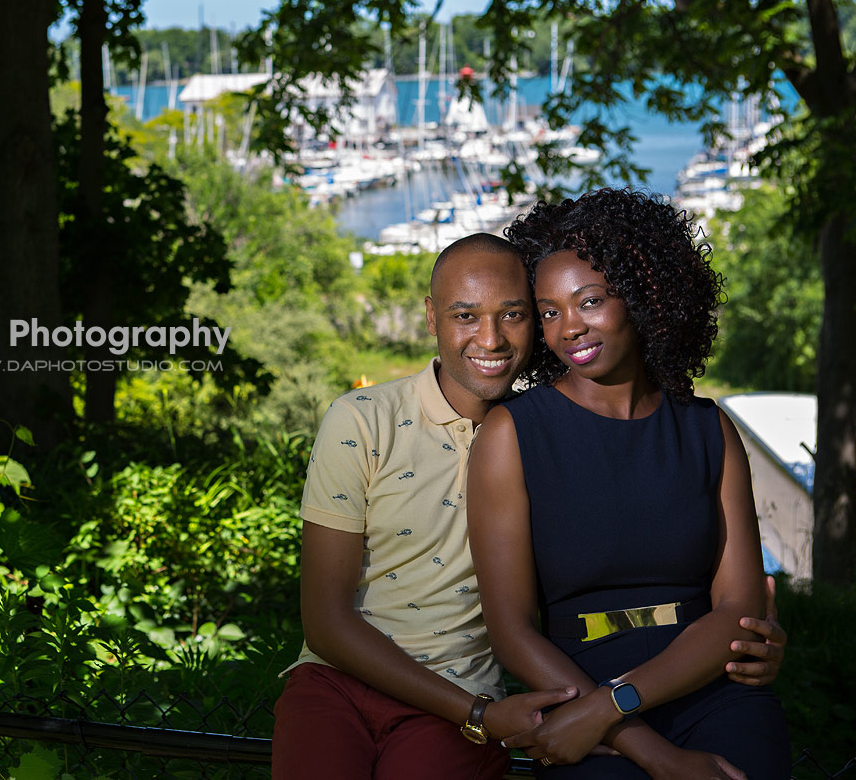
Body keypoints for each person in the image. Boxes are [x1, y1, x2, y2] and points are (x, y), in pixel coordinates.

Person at [271, 231, 785, 780]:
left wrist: (750, 635)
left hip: (474, 695)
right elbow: (326, 619)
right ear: (431, 317)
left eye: (514, 314)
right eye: (465, 316)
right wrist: (487, 716)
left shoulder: (548, 433)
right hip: (374, 687)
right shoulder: (374, 420)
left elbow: (713, 590)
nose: (490, 339)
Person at [467, 189, 792, 779]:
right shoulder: (512, 434)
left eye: (589, 302)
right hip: (576, 696)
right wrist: (643, 745)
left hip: (709, 689)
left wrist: (618, 701)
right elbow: (511, 631)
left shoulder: (707, 429)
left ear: (643, 297)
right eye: (548, 312)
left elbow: (740, 608)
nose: (569, 328)